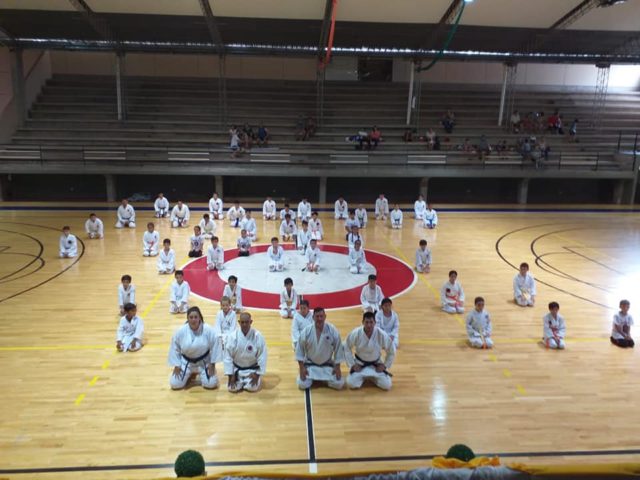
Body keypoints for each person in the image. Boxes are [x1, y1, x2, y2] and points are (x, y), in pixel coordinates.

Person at [168, 306, 221, 390]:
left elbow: (215, 345)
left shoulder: (208, 329)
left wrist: (212, 364)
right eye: (191, 317)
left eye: (196, 317)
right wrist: (177, 365)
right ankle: (190, 374)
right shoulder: (181, 331)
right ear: (187, 319)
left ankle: (201, 373)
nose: (193, 320)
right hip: (186, 362)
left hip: (203, 362)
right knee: (174, 384)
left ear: (200, 318)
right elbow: (175, 347)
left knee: (211, 384)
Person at [295, 307, 344, 390]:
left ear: (325, 316)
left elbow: (338, 348)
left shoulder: (332, 330)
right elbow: (299, 350)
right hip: (310, 365)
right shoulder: (307, 331)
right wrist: (302, 368)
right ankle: (322, 379)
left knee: (339, 383)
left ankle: (319, 379)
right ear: (313, 317)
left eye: (321, 316)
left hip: (327, 365)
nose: (319, 319)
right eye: (317, 316)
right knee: (302, 384)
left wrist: (337, 367)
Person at [344, 312, 395, 390]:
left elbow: (391, 350)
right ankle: (368, 377)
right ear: (362, 322)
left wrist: (384, 365)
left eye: (371, 322)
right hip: (360, 364)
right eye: (366, 322)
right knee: (351, 383)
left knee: (387, 385)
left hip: (376, 365)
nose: (369, 325)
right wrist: (353, 365)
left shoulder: (381, 334)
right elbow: (346, 346)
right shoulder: (356, 333)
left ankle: (371, 377)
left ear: (375, 322)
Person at [224, 312, 267, 393]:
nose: (244, 324)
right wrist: (230, 375)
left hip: (251, 371)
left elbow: (262, 356)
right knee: (231, 388)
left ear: (251, 322)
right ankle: (239, 381)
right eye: (242, 322)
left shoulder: (257, 336)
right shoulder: (233, 336)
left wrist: (257, 375)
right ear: (239, 322)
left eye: (247, 322)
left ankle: (249, 381)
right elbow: (228, 356)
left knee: (252, 388)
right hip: (237, 370)